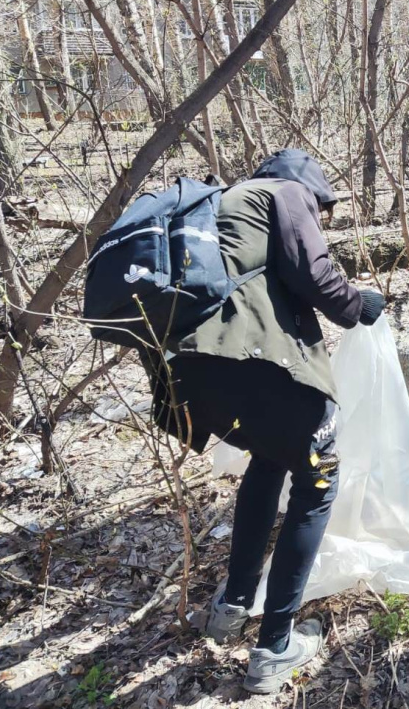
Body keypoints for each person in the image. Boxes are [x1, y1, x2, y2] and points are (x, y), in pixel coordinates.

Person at [145, 148, 385, 694]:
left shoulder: (218, 206)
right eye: (321, 205)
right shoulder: (283, 193)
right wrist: (358, 306)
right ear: (310, 188)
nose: (319, 213)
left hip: (188, 375)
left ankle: (230, 606)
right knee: (317, 480)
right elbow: (314, 272)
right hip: (250, 364)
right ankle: (275, 647)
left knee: (271, 459)